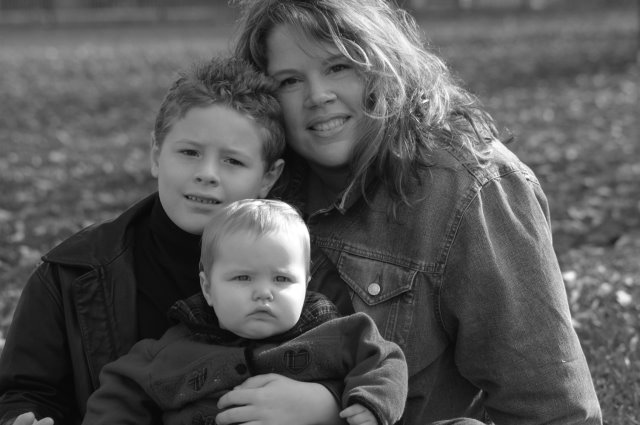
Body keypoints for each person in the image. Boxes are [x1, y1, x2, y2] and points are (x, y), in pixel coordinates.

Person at [209, 0, 604, 424]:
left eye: (339, 67)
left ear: (382, 65)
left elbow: (554, 411)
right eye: (289, 80)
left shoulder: (469, 188)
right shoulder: (257, 179)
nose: (318, 96)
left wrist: (332, 413)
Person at [0, 56, 287, 425]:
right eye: (189, 152)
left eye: (232, 161)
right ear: (155, 155)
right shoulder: (71, 275)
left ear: (268, 178)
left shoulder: (294, 269)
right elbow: (24, 391)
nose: (207, 174)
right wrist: (23, 418)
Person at [81, 199, 408, 425]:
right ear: (208, 288)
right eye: (242, 278)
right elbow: (121, 391)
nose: (263, 292)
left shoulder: (336, 334)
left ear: (306, 284)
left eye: (282, 279)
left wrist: (371, 403)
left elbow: (385, 360)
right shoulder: (170, 350)